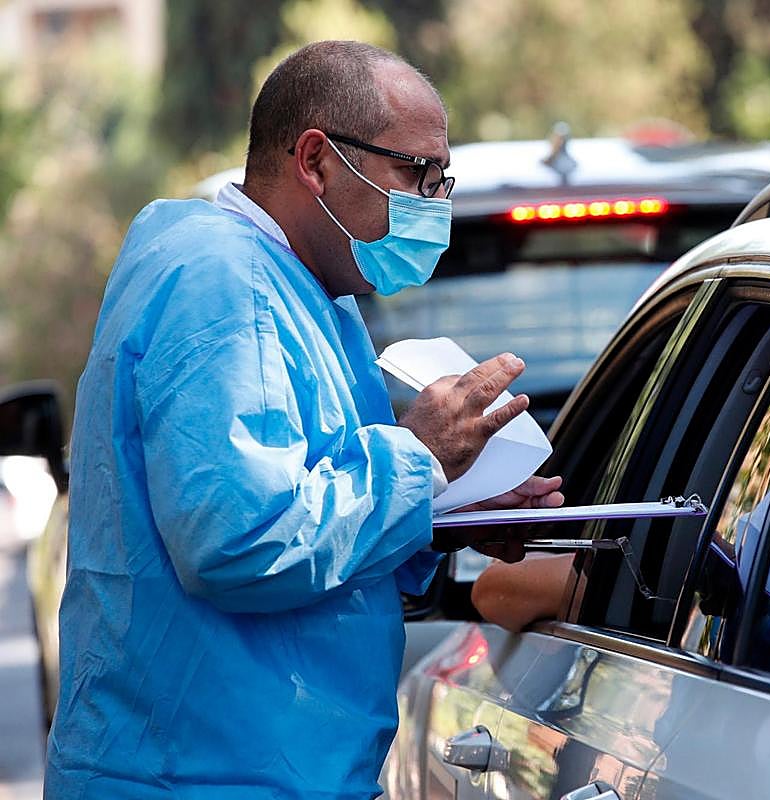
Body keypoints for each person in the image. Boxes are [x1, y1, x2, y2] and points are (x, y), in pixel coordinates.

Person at [45, 41, 561, 799]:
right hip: (203, 774)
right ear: (316, 160)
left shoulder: (306, 291)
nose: (435, 202)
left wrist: (443, 513)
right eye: (415, 174)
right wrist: (417, 460)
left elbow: (313, 501)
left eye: (442, 179)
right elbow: (239, 542)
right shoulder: (225, 286)